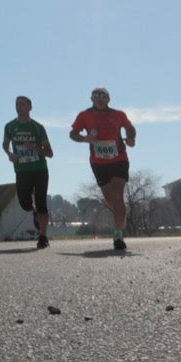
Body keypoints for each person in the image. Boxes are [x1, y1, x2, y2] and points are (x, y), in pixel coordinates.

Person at [69, 86, 136, 251]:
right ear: (91, 99)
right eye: (96, 96)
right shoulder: (84, 115)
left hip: (119, 159)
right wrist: (85, 139)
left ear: (108, 99)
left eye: (103, 96)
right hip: (98, 163)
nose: (99, 99)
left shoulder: (118, 114)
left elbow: (130, 128)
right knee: (111, 200)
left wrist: (131, 138)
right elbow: (73, 134)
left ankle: (118, 234)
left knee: (118, 195)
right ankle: (121, 213)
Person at [2, 96, 54, 248]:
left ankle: (43, 237)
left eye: (22, 104)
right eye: (17, 104)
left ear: (30, 107)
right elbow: (5, 144)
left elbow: (50, 153)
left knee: (42, 202)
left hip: (39, 169)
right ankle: (34, 211)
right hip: (21, 170)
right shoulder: (10, 126)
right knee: (24, 203)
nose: (19, 107)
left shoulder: (38, 128)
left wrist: (35, 148)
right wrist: (10, 154)